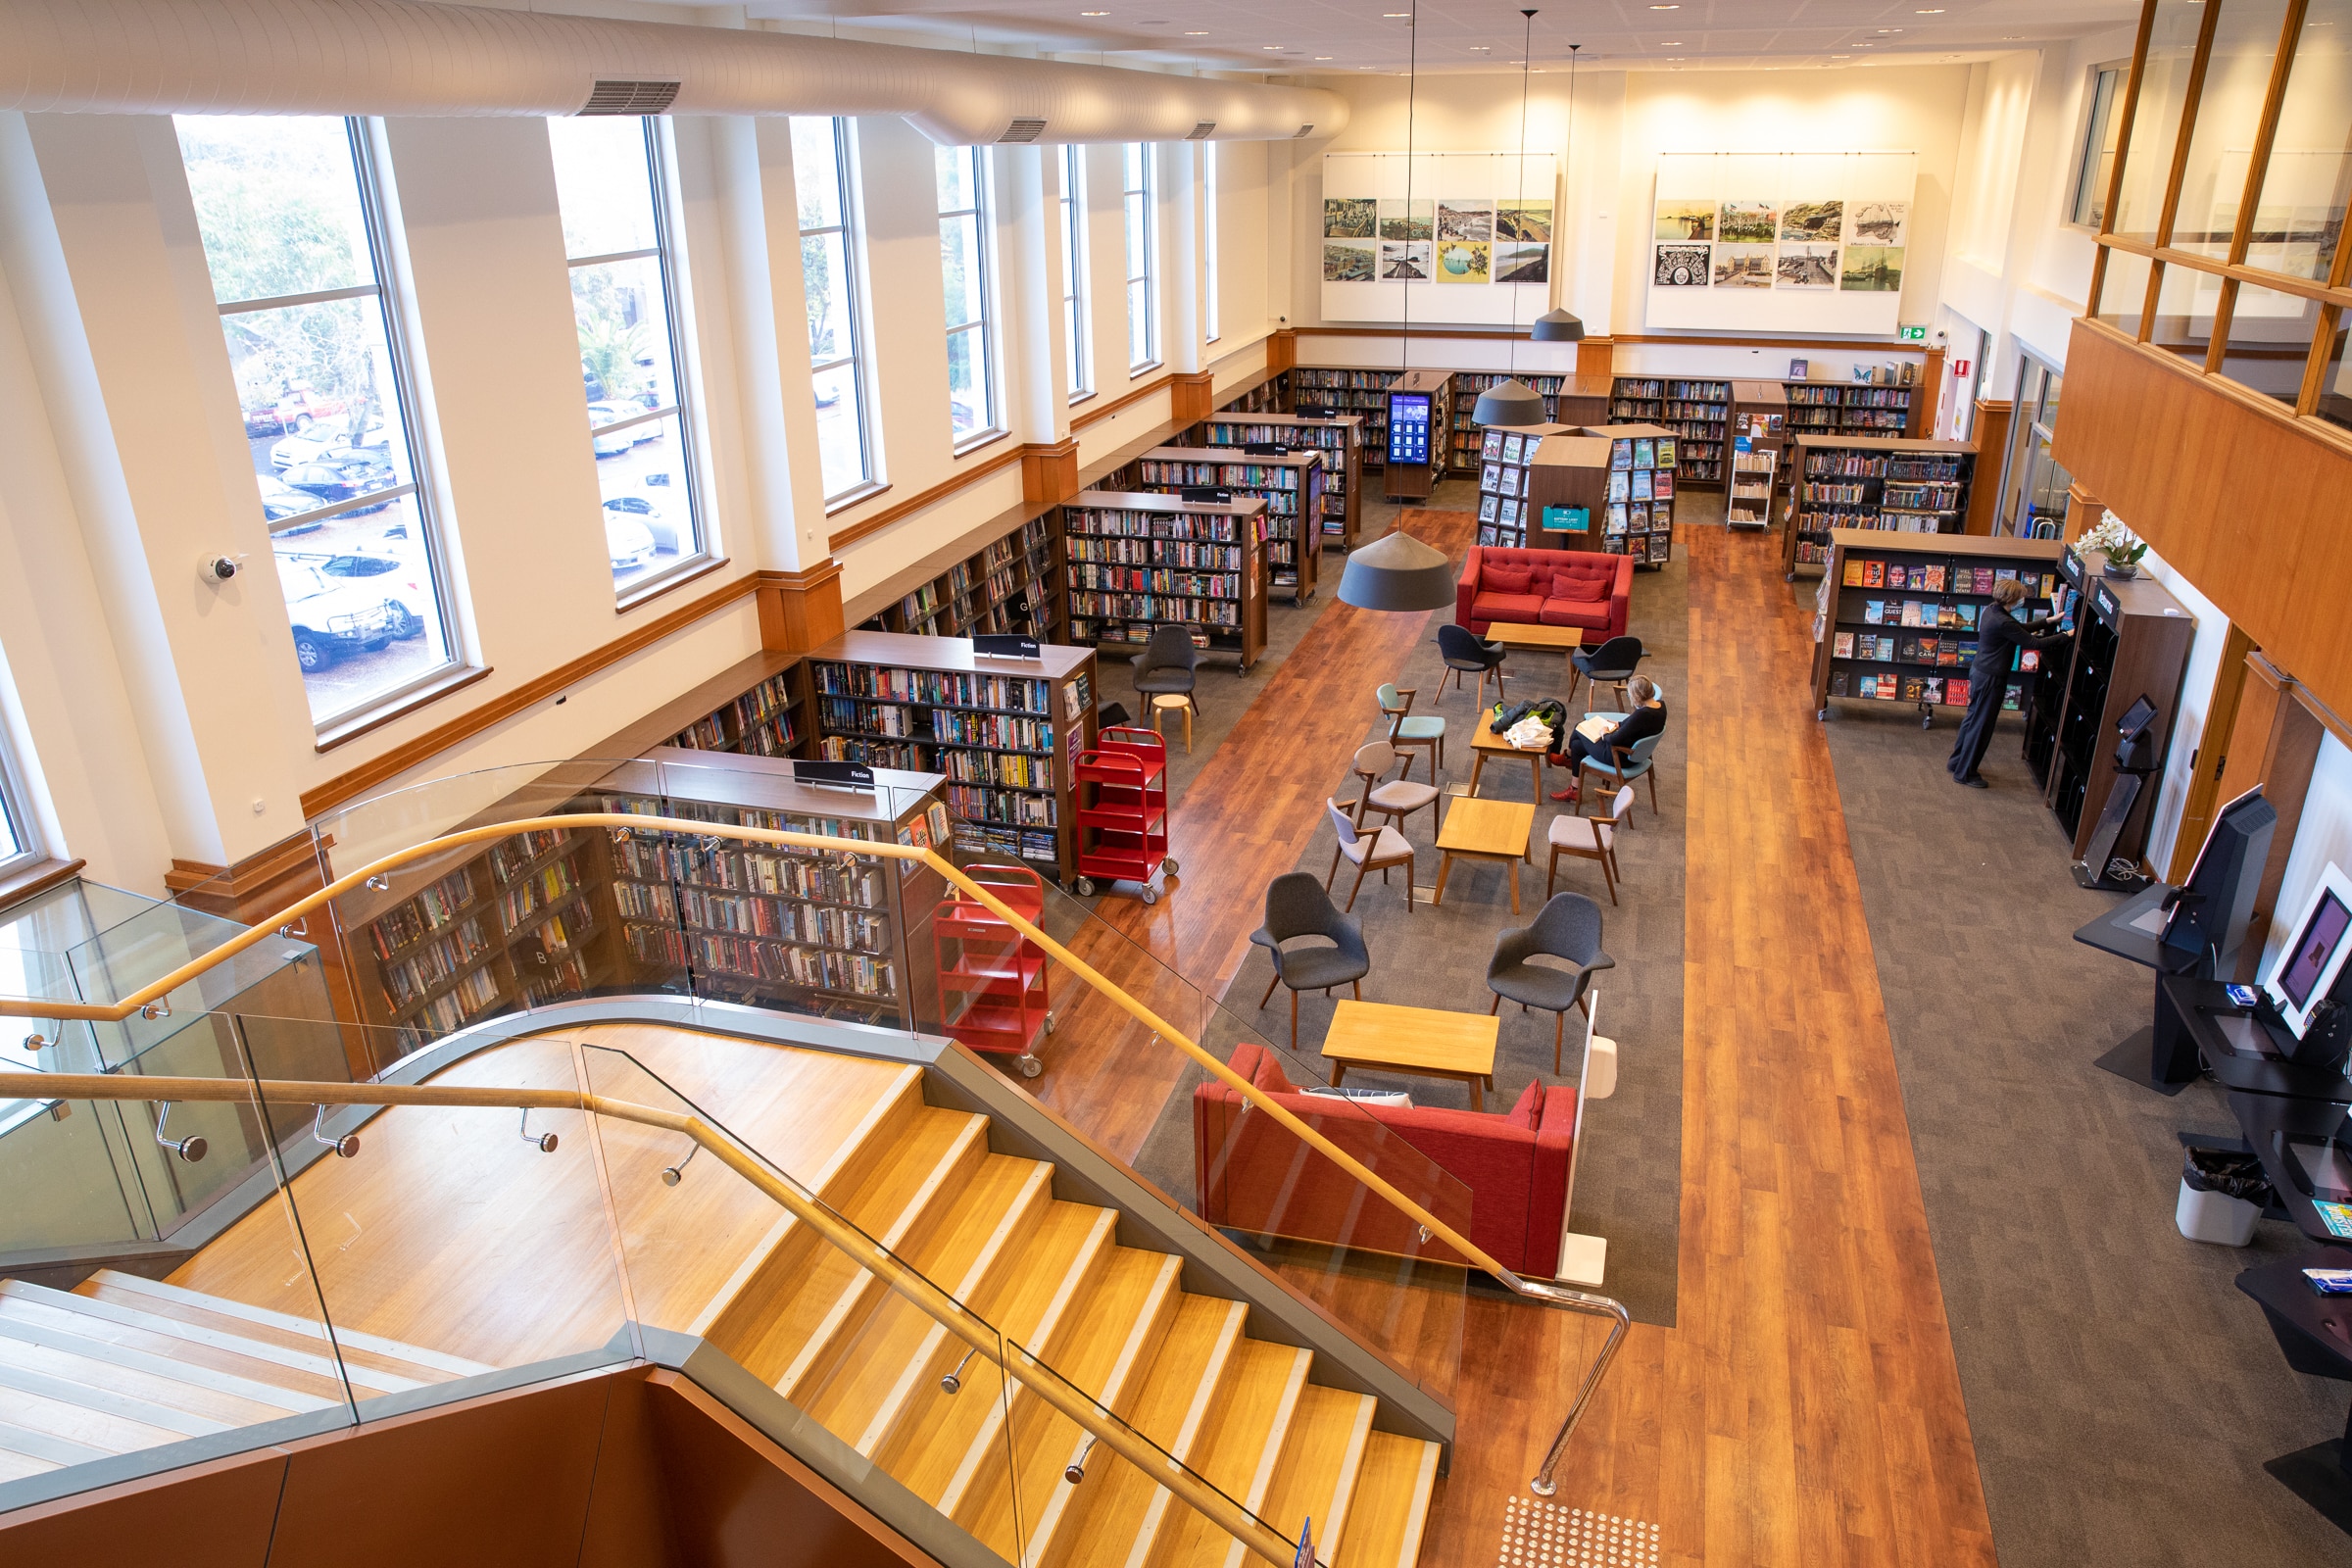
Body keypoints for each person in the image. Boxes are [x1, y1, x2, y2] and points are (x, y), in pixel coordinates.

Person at [1947, 577, 2073, 789]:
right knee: (1982, 726)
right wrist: (2066, 636)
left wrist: (2047, 622)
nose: (2023, 600)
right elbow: (2034, 642)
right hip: (1991, 678)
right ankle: (1965, 773)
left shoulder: (1992, 611)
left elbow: (2018, 629)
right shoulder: (2003, 621)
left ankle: (1957, 762)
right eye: (2021, 597)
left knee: (1972, 720)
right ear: (2013, 599)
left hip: (1979, 672)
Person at [1550, 675, 1667, 804]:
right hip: (1638, 754)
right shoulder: (1660, 706)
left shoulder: (1642, 714)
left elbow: (1614, 740)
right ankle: (1574, 787)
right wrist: (1619, 724)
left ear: (1637, 696)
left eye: (1629, 695)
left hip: (1619, 757)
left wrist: (1604, 733)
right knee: (1578, 746)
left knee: (1579, 727)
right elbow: (1638, 725)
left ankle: (1568, 757)